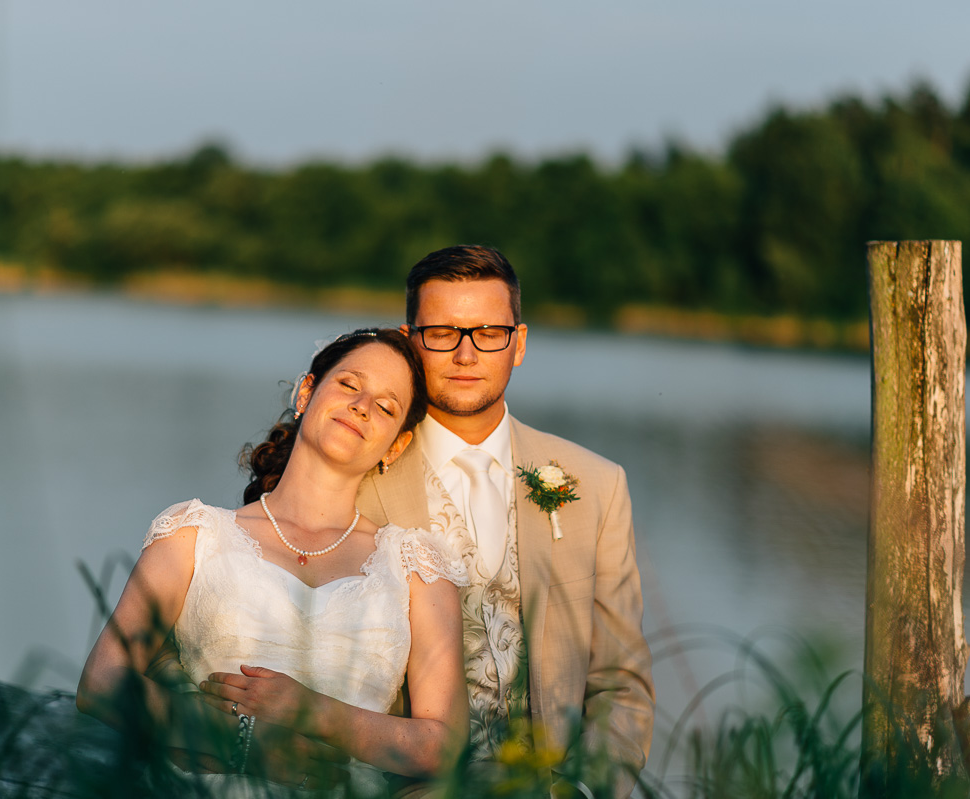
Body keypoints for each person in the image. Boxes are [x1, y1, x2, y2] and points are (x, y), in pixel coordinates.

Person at [206, 247, 656, 798]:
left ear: (518, 343)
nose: (466, 353)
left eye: (489, 332)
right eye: (442, 332)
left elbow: (620, 684)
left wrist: (589, 791)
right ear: (410, 339)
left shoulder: (596, 485)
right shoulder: (354, 467)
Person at [77, 328, 471, 796]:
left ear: (397, 446)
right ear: (307, 392)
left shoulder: (417, 567)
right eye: (349, 384)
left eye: (386, 407)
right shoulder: (193, 533)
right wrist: (243, 743)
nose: (363, 405)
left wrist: (312, 711)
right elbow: (102, 681)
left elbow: (442, 746)